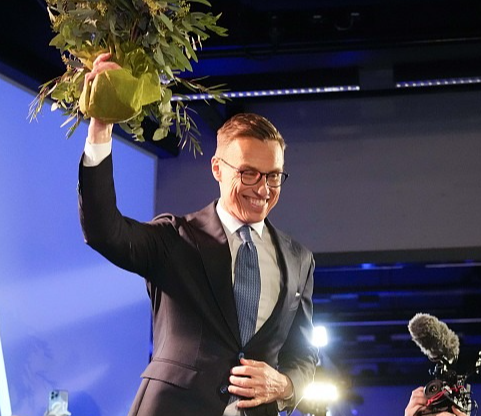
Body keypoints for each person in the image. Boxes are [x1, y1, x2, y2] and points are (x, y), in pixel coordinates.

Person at [78, 53, 318, 416]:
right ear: (217, 169)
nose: (264, 189)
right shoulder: (174, 239)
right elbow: (104, 230)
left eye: (274, 176)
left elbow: (303, 356)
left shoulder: (299, 259)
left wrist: (285, 385)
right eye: (249, 173)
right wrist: (100, 130)